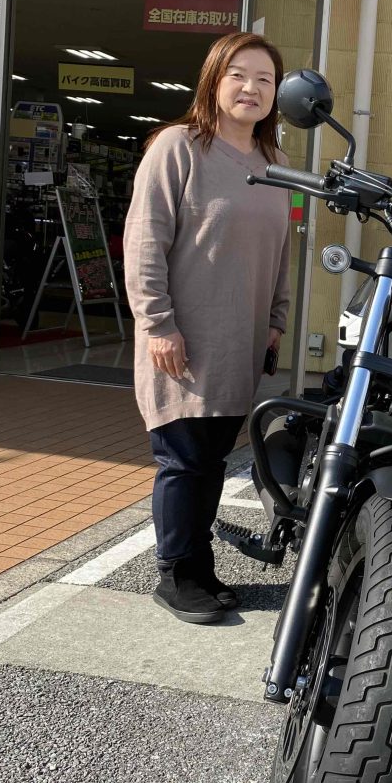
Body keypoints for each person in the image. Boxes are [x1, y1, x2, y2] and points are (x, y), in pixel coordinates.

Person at [124, 31, 292, 625]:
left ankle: (199, 566)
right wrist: (157, 324)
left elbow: (281, 253)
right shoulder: (178, 147)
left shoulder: (274, 165)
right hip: (183, 340)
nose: (252, 88)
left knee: (214, 459)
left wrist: (276, 321)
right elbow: (145, 242)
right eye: (239, 75)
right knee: (182, 458)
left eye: (265, 80)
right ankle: (174, 573)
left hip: (240, 341)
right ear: (214, 80)